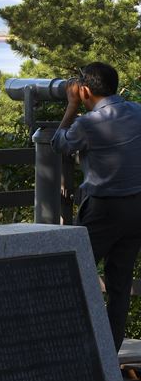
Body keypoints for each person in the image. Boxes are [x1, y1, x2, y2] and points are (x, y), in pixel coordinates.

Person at [51, 62, 141, 352]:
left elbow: (59, 144)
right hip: (136, 207)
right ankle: (109, 352)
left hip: (103, 210)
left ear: (85, 90)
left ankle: (74, 347)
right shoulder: (138, 111)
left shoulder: (86, 124)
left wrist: (71, 105)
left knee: (73, 272)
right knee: (119, 284)